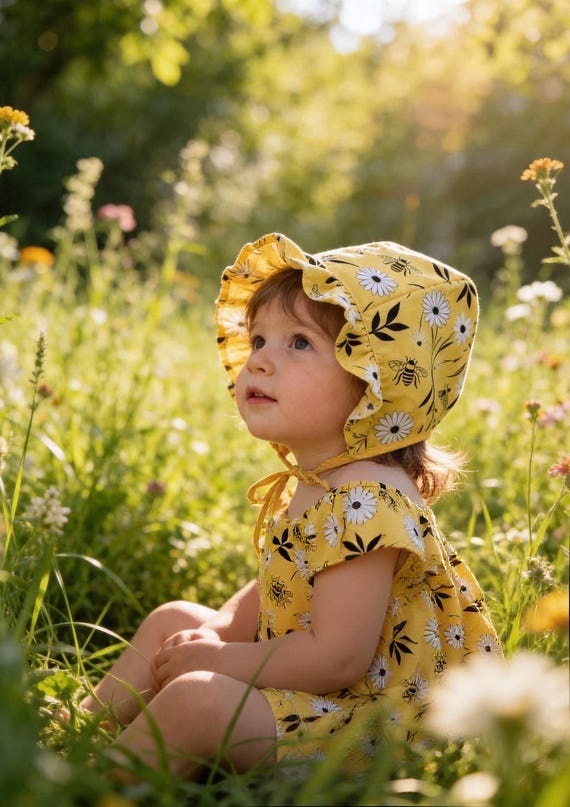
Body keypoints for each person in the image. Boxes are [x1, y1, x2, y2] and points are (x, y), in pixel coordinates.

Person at [81, 233, 501, 780]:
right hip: (328, 690)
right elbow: (281, 580)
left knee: (197, 700)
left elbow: (337, 659)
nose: (259, 362)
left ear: (374, 385)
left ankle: (89, 785)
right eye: (257, 339)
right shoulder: (320, 477)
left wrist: (217, 660)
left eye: (299, 343)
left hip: (377, 725)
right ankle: (75, 728)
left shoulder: (366, 500)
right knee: (176, 620)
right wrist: (225, 627)